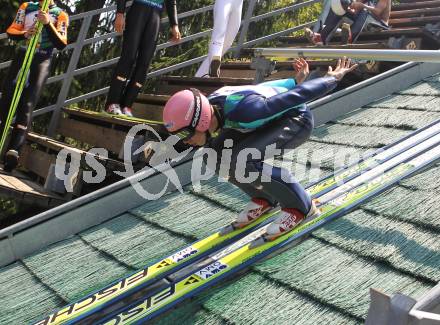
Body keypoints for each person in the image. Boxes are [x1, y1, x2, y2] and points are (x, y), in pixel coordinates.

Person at [163, 57, 357, 240]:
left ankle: (301, 207)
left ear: (201, 121)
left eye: (185, 134)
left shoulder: (248, 111)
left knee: (243, 159)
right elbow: (259, 88)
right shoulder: (215, 103)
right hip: (266, 122)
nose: (186, 141)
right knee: (212, 155)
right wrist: (294, 80)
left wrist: (331, 79)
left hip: (297, 121)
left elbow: (297, 97)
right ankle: (264, 198)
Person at [0, 0, 68, 172]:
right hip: (22, 54)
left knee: (27, 103)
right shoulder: (27, 6)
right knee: (7, 99)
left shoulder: (61, 13)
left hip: (42, 59)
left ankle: (13, 151)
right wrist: (24, 34)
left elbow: (61, 43)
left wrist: (47, 24)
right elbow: (11, 31)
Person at [105, 0, 181, 117]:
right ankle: (112, 103)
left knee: (144, 63)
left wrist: (174, 24)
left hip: (155, 14)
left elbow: (171, 1)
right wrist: (120, 13)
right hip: (138, 10)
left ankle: (127, 105)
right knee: (128, 57)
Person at [304, 0, 391, 45]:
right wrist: (348, 9)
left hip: (378, 24)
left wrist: (362, 6)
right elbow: (356, 12)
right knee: (343, 12)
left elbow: (378, 11)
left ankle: (350, 39)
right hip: (363, 22)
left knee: (364, 10)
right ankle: (322, 39)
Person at [195, 0, 243, 78]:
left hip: (238, 3)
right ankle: (215, 59)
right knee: (219, 31)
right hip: (223, 2)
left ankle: (200, 75)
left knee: (228, 41)